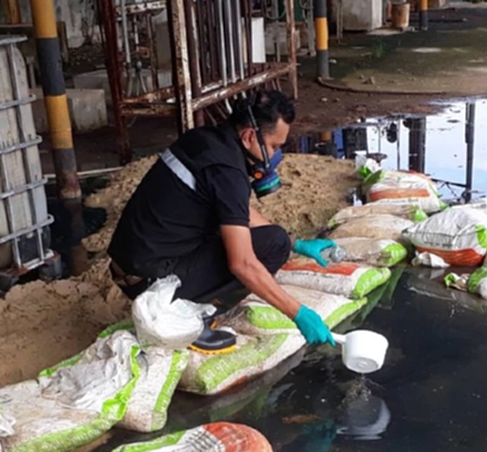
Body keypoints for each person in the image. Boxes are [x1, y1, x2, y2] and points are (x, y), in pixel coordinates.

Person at [107, 90, 337, 353]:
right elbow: (243, 264)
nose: (274, 156)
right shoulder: (228, 171)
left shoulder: (205, 141)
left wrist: (298, 243)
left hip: (129, 266)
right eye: (274, 146)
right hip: (150, 280)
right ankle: (190, 320)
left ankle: (190, 303)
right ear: (249, 136)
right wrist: (298, 313)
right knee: (271, 247)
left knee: (277, 239)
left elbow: (237, 212)